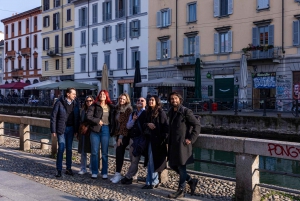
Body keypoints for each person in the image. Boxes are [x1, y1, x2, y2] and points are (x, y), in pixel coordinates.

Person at [167, 91, 201, 198]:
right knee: (173, 165)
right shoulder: (171, 111)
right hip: (173, 144)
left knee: (181, 167)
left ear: (180, 99)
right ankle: (191, 181)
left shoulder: (186, 111)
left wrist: (191, 138)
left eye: (175, 98)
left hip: (182, 144)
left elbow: (197, 125)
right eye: (172, 99)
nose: (174, 100)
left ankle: (181, 190)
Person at [51, 87, 80, 177]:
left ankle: (68, 168)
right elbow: (53, 116)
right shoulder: (59, 103)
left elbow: (77, 118)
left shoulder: (75, 104)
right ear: (68, 94)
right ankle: (59, 169)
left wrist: (76, 130)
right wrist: (53, 130)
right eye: (73, 94)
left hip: (71, 129)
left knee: (69, 149)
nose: (75, 95)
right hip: (61, 129)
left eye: (75, 94)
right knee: (61, 148)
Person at [86, 90, 115, 179]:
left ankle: (104, 172)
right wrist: (98, 121)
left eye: (104, 94)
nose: (102, 95)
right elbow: (88, 117)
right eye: (101, 94)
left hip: (106, 129)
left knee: (105, 152)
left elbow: (114, 118)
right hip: (95, 129)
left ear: (106, 96)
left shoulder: (110, 106)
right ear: (99, 96)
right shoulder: (94, 105)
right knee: (94, 152)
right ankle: (94, 171)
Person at [142, 95, 168, 189]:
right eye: (149, 100)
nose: (150, 101)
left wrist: (162, 139)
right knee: (150, 161)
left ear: (157, 101)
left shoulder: (161, 112)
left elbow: (165, 127)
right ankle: (149, 181)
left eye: (152, 100)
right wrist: (148, 124)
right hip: (149, 140)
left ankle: (153, 181)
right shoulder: (148, 112)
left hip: (157, 141)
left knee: (153, 161)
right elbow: (143, 124)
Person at [121, 97, 147, 185]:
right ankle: (134, 177)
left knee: (135, 159)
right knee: (132, 159)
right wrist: (133, 120)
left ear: (145, 103)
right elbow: (128, 126)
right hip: (132, 139)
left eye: (142, 101)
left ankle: (128, 176)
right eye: (138, 100)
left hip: (140, 140)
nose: (139, 102)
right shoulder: (133, 114)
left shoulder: (146, 113)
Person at [110, 93, 132, 183]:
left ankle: (118, 174)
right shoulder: (117, 108)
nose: (121, 100)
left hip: (124, 135)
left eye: (123, 99)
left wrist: (121, 137)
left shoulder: (128, 109)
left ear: (127, 100)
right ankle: (117, 173)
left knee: (119, 152)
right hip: (118, 134)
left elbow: (125, 124)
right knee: (118, 152)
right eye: (120, 99)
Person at [77, 95, 94, 175]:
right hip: (84, 131)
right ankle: (83, 168)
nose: (89, 102)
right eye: (87, 101)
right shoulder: (83, 110)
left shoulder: (95, 109)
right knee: (83, 150)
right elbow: (80, 120)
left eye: (90, 100)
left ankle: (91, 167)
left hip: (92, 131)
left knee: (92, 150)